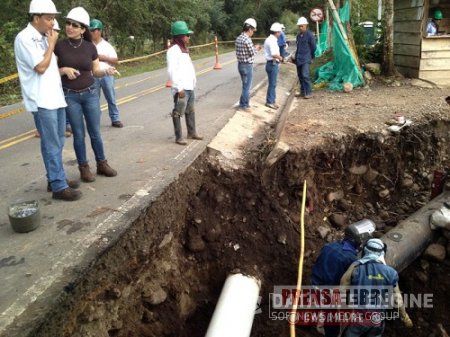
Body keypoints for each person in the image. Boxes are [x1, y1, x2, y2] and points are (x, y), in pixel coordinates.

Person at [14, 0, 81, 201]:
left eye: (54, 18)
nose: (53, 23)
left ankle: (54, 178)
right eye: (49, 18)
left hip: (55, 97)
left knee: (57, 141)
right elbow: (40, 67)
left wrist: (50, 43)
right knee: (52, 143)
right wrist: (51, 44)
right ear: (36, 18)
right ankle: (59, 186)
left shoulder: (44, 36)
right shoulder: (24, 38)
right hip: (41, 100)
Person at [54, 7, 117, 182]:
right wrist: (63, 70)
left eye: (75, 25)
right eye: (68, 23)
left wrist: (106, 71)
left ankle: (102, 164)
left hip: (90, 94)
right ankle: (84, 168)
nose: (70, 27)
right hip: (70, 96)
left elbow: (95, 71)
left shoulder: (90, 48)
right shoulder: (59, 46)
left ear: (83, 29)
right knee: (79, 134)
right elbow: (51, 71)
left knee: (95, 132)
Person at [311, 221, 375, 337]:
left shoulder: (329, 246)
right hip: (329, 293)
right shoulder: (350, 259)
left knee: (318, 307)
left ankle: (316, 322)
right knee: (332, 324)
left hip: (315, 284)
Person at [340, 238, 413, 337]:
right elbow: (398, 299)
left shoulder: (355, 267)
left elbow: (342, 288)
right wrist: (405, 317)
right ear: (382, 253)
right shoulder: (391, 273)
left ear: (365, 251)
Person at [167, 20, 203, 145]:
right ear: (180, 36)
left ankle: (192, 132)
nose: (189, 37)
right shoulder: (173, 51)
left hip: (189, 86)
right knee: (178, 111)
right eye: (187, 35)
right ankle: (178, 137)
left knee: (190, 110)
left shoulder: (183, 49)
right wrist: (179, 88)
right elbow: (172, 71)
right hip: (181, 87)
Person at [89, 18, 123, 128]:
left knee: (111, 97)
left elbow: (115, 60)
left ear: (99, 31)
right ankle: (95, 121)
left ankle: (115, 118)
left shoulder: (107, 45)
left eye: (94, 30)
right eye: (90, 30)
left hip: (107, 75)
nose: (92, 32)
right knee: (94, 99)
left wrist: (103, 58)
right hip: (94, 74)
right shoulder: (88, 45)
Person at [235, 18, 261, 112]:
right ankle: (243, 105)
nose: (253, 32)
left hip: (240, 64)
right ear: (249, 29)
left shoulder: (238, 38)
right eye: (253, 30)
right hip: (247, 65)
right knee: (247, 86)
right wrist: (257, 48)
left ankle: (244, 103)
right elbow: (252, 52)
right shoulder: (248, 40)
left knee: (245, 85)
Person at [292, 17, 316, 99]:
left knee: (305, 75)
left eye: (302, 26)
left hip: (306, 58)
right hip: (298, 58)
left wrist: (312, 57)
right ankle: (302, 92)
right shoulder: (298, 36)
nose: (300, 27)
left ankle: (309, 92)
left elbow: (313, 47)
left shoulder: (310, 35)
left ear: (306, 25)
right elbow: (298, 47)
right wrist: (295, 58)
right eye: (299, 26)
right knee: (300, 76)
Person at [264, 23, 283, 110]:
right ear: (276, 32)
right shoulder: (272, 41)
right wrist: (281, 58)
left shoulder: (270, 39)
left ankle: (272, 100)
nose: (280, 34)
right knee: (272, 83)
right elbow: (274, 54)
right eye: (279, 32)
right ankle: (270, 101)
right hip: (272, 63)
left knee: (273, 83)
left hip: (271, 63)